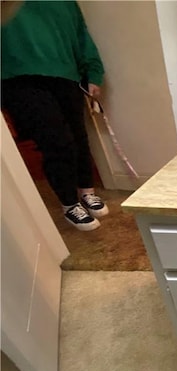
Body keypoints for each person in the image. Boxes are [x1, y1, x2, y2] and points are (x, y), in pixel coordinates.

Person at [1, 0, 108, 231]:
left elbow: (81, 34)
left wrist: (93, 71)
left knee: (79, 137)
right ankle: (69, 204)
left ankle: (86, 191)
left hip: (66, 74)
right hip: (17, 77)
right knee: (57, 142)